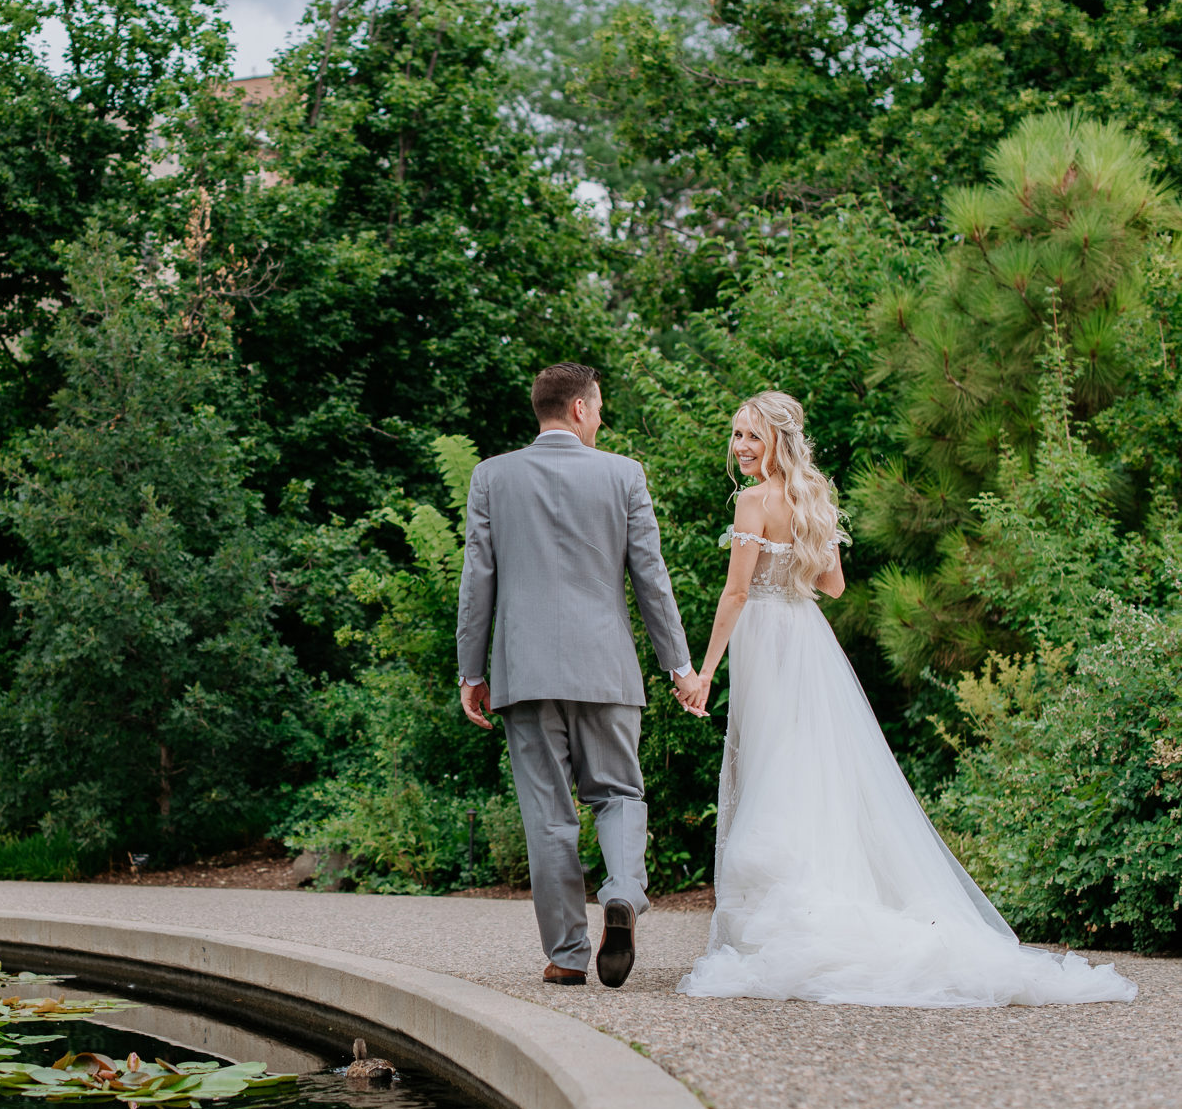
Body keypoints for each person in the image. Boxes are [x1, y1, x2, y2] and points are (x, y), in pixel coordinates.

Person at [677, 390, 1136, 1007]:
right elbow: (833, 586)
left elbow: (735, 595)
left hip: (765, 637)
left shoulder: (754, 501)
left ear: (779, 439)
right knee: (806, 767)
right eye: (736, 436)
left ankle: (782, 920)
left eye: (752, 436)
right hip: (807, 637)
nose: (740, 447)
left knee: (773, 765)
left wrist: (705, 672)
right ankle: (810, 899)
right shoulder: (813, 498)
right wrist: (798, 561)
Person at [456, 362, 702, 989]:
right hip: (607, 670)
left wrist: (471, 669)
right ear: (578, 410)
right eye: (598, 408)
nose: (601, 418)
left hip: (526, 674)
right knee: (618, 795)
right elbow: (652, 577)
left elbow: (476, 582)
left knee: (549, 816)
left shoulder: (492, 476)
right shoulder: (624, 474)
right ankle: (621, 892)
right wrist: (678, 664)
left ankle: (567, 956)